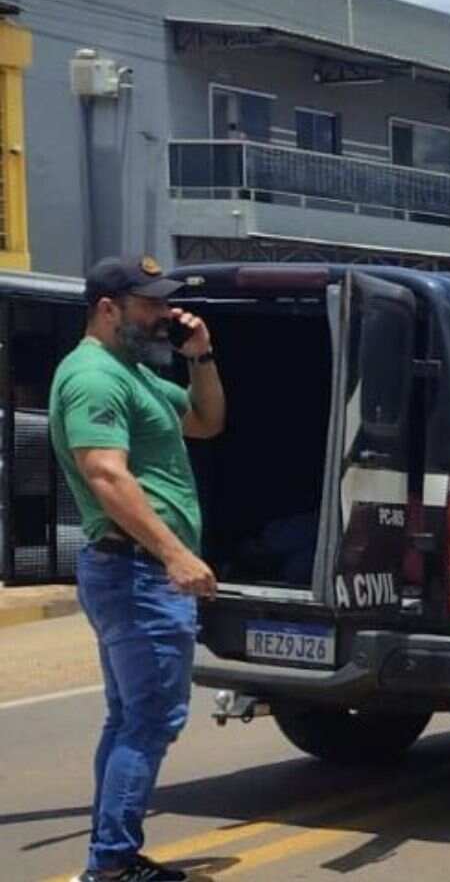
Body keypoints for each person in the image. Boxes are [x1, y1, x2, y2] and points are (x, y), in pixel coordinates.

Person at [52, 255, 225, 882]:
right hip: (136, 573)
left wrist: (199, 355)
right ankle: (114, 867)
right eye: (148, 303)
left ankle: (112, 857)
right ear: (107, 308)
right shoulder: (95, 378)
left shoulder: (136, 375)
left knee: (130, 717)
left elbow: (206, 421)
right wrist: (174, 553)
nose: (162, 313)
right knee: (152, 719)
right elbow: (105, 474)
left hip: (137, 573)